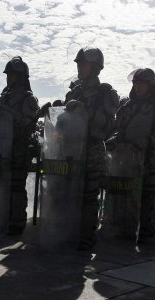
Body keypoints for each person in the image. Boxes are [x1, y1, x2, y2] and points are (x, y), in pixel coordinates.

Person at [41, 47, 118, 249]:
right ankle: (65, 233)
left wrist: (86, 112)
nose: (80, 67)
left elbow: (109, 125)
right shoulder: (73, 92)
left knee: (88, 197)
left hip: (92, 149)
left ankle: (85, 238)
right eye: (79, 64)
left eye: (84, 64)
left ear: (96, 67)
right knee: (64, 192)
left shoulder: (105, 93)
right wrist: (51, 114)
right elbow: (62, 124)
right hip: (68, 150)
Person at [109, 67, 155, 240]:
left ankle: (145, 230)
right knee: (125, 192)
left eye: (141, 83)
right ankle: (125, 228)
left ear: (150, 85)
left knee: (146, 194)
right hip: (126, 157)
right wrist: (113, 140)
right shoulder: (127, 106)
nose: (137, 86)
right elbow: (119, 129)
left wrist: (148, 140)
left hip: (148, 157)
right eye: (135, 83)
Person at [0, 56, 40, 234]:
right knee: (0, 185)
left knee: (16, 186)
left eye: (11, 74)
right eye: (7, 74)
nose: (8, 77)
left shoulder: (28, 99)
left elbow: (26, 121)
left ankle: (17, 223)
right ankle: (1, 219)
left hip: (19, 148)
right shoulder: (3, 97)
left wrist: (5, 110)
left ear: (20, 76)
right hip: (2, 147)